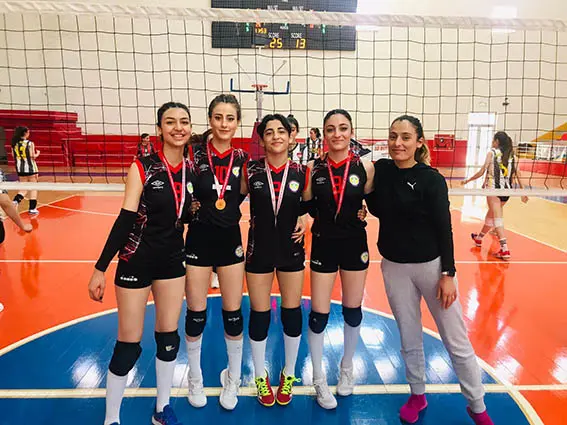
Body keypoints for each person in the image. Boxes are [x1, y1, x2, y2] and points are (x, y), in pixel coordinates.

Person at [366, 115, 494, 425]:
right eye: (393, 136)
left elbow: (444, 228)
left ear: (419, 142)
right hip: (394, 268)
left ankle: (477, 407)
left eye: (406, 137)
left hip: (432, 268)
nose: (398, 143)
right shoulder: (382, 170)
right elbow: (376, 205)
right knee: (409, 337)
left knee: (456, 340)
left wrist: (448, 273)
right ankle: (417, 394)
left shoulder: (431, 179)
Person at [88, 101, 195, 425]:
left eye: (184, 121)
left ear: (191, 128)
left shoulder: (192, 170)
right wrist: (100, 267)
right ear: (160, 128)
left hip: (173, 261)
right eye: (170, 122)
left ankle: (162, 408)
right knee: (129, 344)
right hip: (137, 260)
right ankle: (111, 418)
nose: (178, 127)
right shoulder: (143, 167)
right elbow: (125, 220)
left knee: (169, 338)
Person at [302, 109, 374, 409]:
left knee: (352, 311)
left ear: (351, 132)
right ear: (324, 134)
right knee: (318, 314)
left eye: (343, 128)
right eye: (330, 129)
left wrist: (362, 211)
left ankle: (347, 368)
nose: (337, 134)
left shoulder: (365, 167)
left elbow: (371, 202)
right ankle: (318, 378)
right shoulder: (312, 168)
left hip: (354, 243)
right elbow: (306, 206)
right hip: (323, 243)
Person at [183, 94, 249, 411]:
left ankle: (232, 377)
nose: (224, 124)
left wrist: (303, 216)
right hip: (198, 239)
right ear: (210, 120)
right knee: (196, 314)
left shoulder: (244, 159)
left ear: (238, 122)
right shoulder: (193, 155)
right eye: (218, 117)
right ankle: (194, 377)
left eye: (230, 118)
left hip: (230, 240)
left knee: (233, 315)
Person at [243, 114, 309, 407]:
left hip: (291, 249)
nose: (276, 136)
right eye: (269, 132)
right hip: (258, 250)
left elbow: (311, 206)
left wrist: (306, 218)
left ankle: (289, 373)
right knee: (259, 315)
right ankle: (260, 374)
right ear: (262, 139)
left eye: (281, 131)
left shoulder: (302, 172)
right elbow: (228, 199)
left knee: (291, 313)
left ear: (290, 136)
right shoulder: (251, 171)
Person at [461, 131, 528, 260]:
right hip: (507, 192)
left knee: (497, 218)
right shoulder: (512, 156)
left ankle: (504, 249)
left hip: (493, 190)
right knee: (491, 215)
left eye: (493, 140)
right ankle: (479, 238)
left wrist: (468, 180)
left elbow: (481, 171)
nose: (492, 142)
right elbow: (518, 174)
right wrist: (523, 192)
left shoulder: (491, 153)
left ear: (497, 141)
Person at [11, 126, 40, 215]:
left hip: (20, 169)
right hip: (31, 168)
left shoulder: (14, 144)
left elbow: (13, 155)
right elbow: (32, 156)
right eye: (28, 132)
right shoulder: (30, 143)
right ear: (25, 133)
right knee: (33, 188)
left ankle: (15, 201)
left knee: (23, 188)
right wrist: (37, 154)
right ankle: (32, 208)